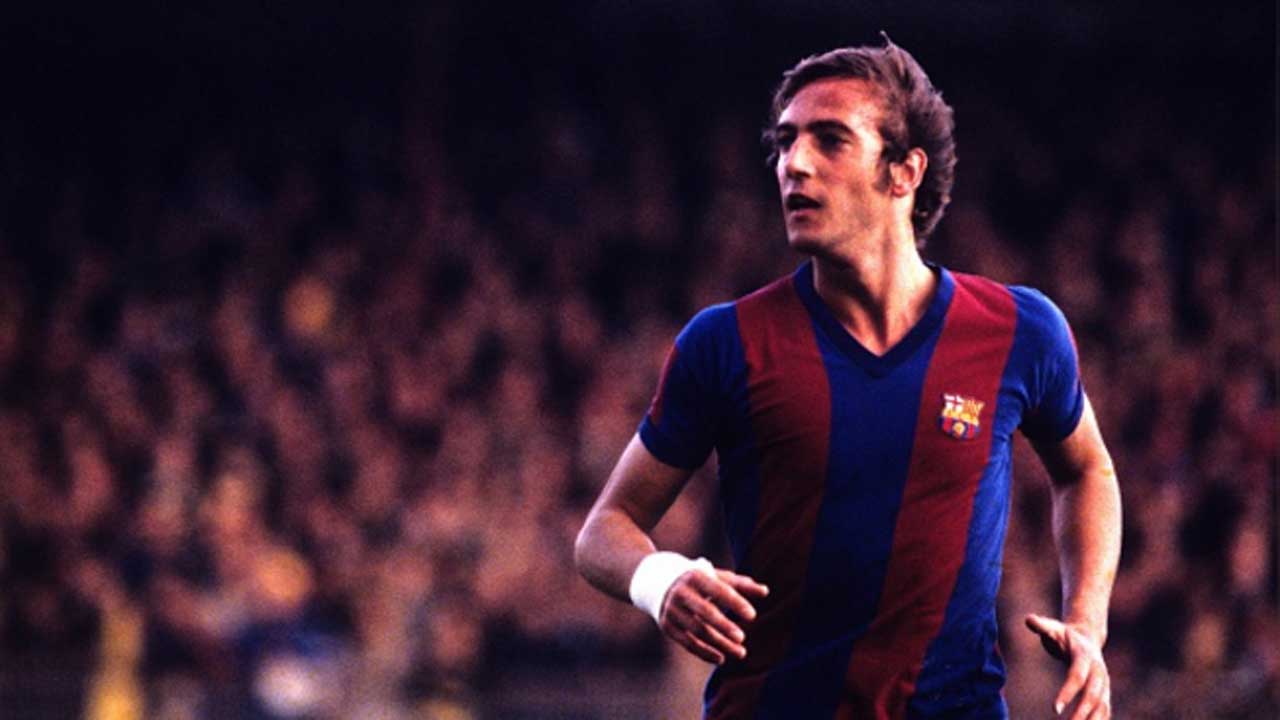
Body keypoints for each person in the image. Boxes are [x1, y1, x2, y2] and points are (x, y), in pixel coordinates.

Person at [575, 36, 1121, 720]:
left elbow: (1087, 470)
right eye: (785, 142)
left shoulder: (1020, 331)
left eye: (830, 140)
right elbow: (604, 529)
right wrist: (661, 581)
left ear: (905, 172)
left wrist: (1088, 623)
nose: (794, 163)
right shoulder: (726, 343)